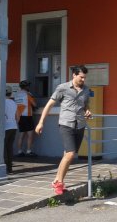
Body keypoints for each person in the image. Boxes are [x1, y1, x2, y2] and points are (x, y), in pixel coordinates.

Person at [35, 66, 91, 195]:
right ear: (74, 75)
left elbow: (85, 105)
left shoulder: (86, 90)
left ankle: (56, 180)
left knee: (68, 155)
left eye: (84, 77)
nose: (83, 79)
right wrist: (41, 122)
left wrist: (87, 110)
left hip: (80, 125)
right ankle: (59, 183)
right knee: (70, 153)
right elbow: (49, 105)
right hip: (66, 124)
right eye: (81, 77)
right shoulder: (63, 88)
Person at [15, 80, 37, 157]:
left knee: (21, 134)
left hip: (20, 116)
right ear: (26, 86)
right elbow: (34, 104)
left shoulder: (17, 94)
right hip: (27, 116)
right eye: (28, 85)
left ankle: (19, 151)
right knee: (30, 134)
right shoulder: (27, 94)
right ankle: (28, 151)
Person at [4, 85, 19, 174]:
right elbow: (18, 117)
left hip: (5, 128)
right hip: (13, 127)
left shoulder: (1, 102)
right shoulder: (14, 103)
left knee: (4, 149)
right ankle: (10, 169)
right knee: (9, 148)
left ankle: (5, 168)